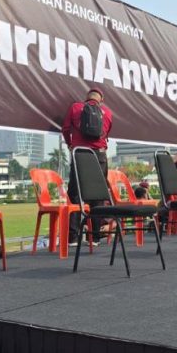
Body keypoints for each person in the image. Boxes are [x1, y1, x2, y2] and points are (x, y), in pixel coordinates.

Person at [62, 88, 112, 247]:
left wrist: (70, 144)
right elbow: (106, 133)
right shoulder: (107, 112)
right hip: (99, 155)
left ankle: (73, 237)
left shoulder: (75, 107)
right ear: (101, 99)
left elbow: (66, 129)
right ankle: (95, 237)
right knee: (98, 196)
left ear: (87, 97)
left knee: (75, 194)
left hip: (81, 154)